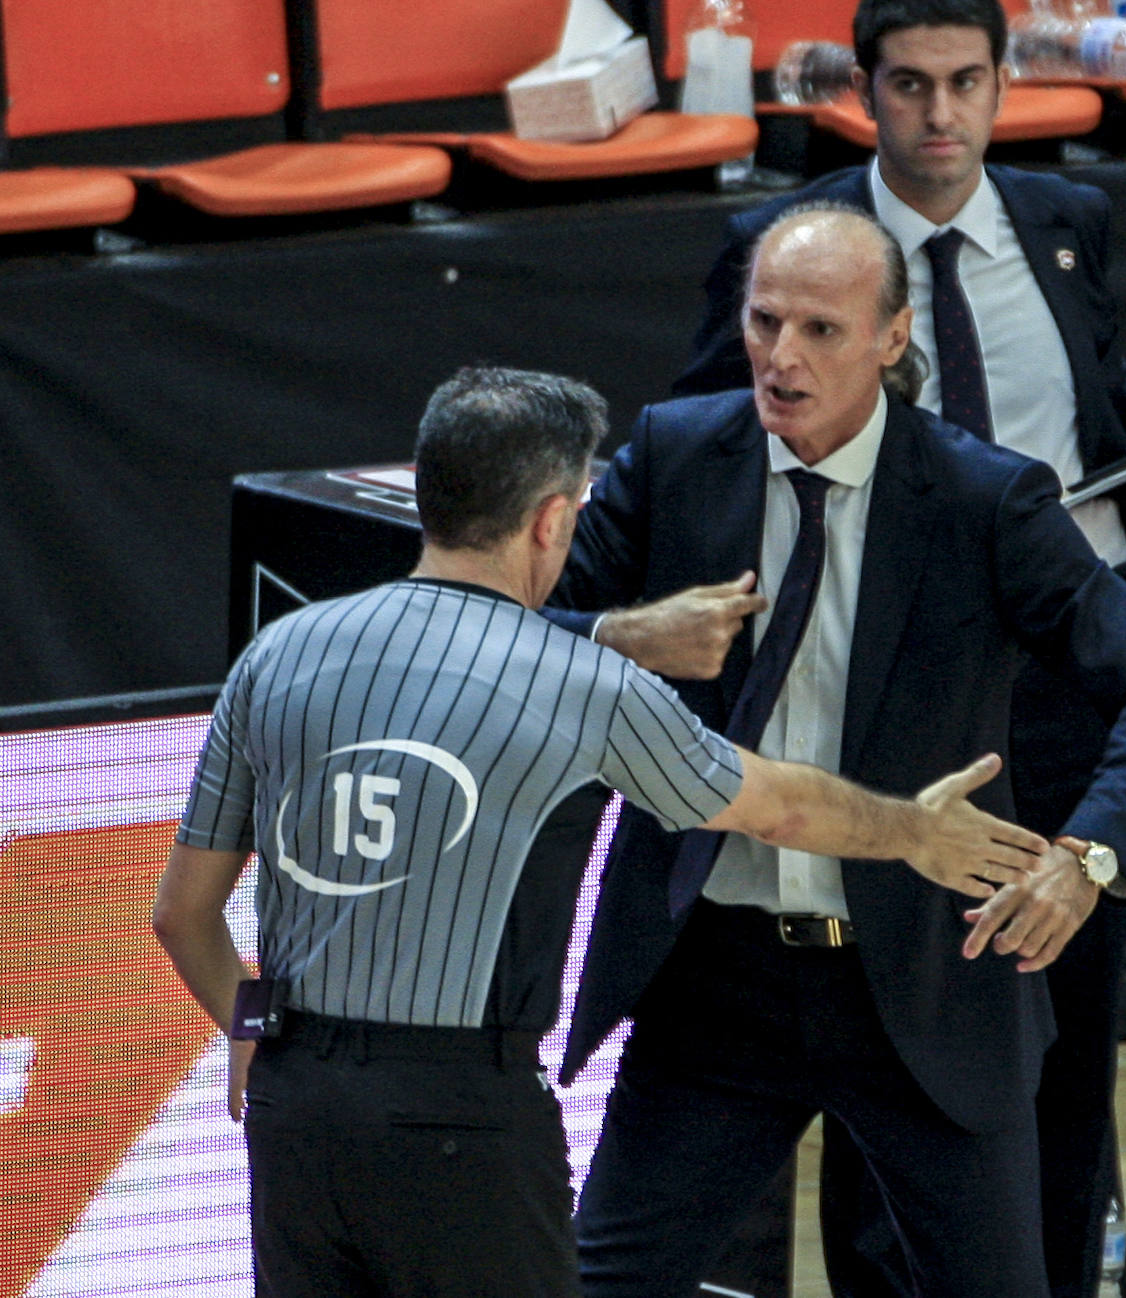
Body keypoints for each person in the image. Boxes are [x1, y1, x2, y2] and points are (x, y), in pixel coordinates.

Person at [151, 363, 1055, 1298]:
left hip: (294, 1107)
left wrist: (253, 1030)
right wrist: (912, 829)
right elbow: (776, 805)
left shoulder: (278, 653)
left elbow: (181, 914)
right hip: (462, 1117)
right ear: (552, 520)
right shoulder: (582, 685)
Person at [671, 2, 1126, 1293]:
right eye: (910, 84)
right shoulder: (796, 250)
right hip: (911, 691)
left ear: (1002, 85)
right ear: (862, 91)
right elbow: (712, 431)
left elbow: (1090, 393)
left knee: (1069, 1024)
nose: (940, 114)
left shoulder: (1063, 218)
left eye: (966, 81)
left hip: (1073, 674)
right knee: (899, 1023)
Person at [546, 205, 1126, 1298]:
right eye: (764, 321)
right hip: (718, 978)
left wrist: (1088, 858)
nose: (782, 357)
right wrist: (624, 636)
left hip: (927, 973)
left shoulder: (983, 496)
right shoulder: (676, 455)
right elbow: (503, 633)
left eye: (820, 329)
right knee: (604, 1284)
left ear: (892, 338)